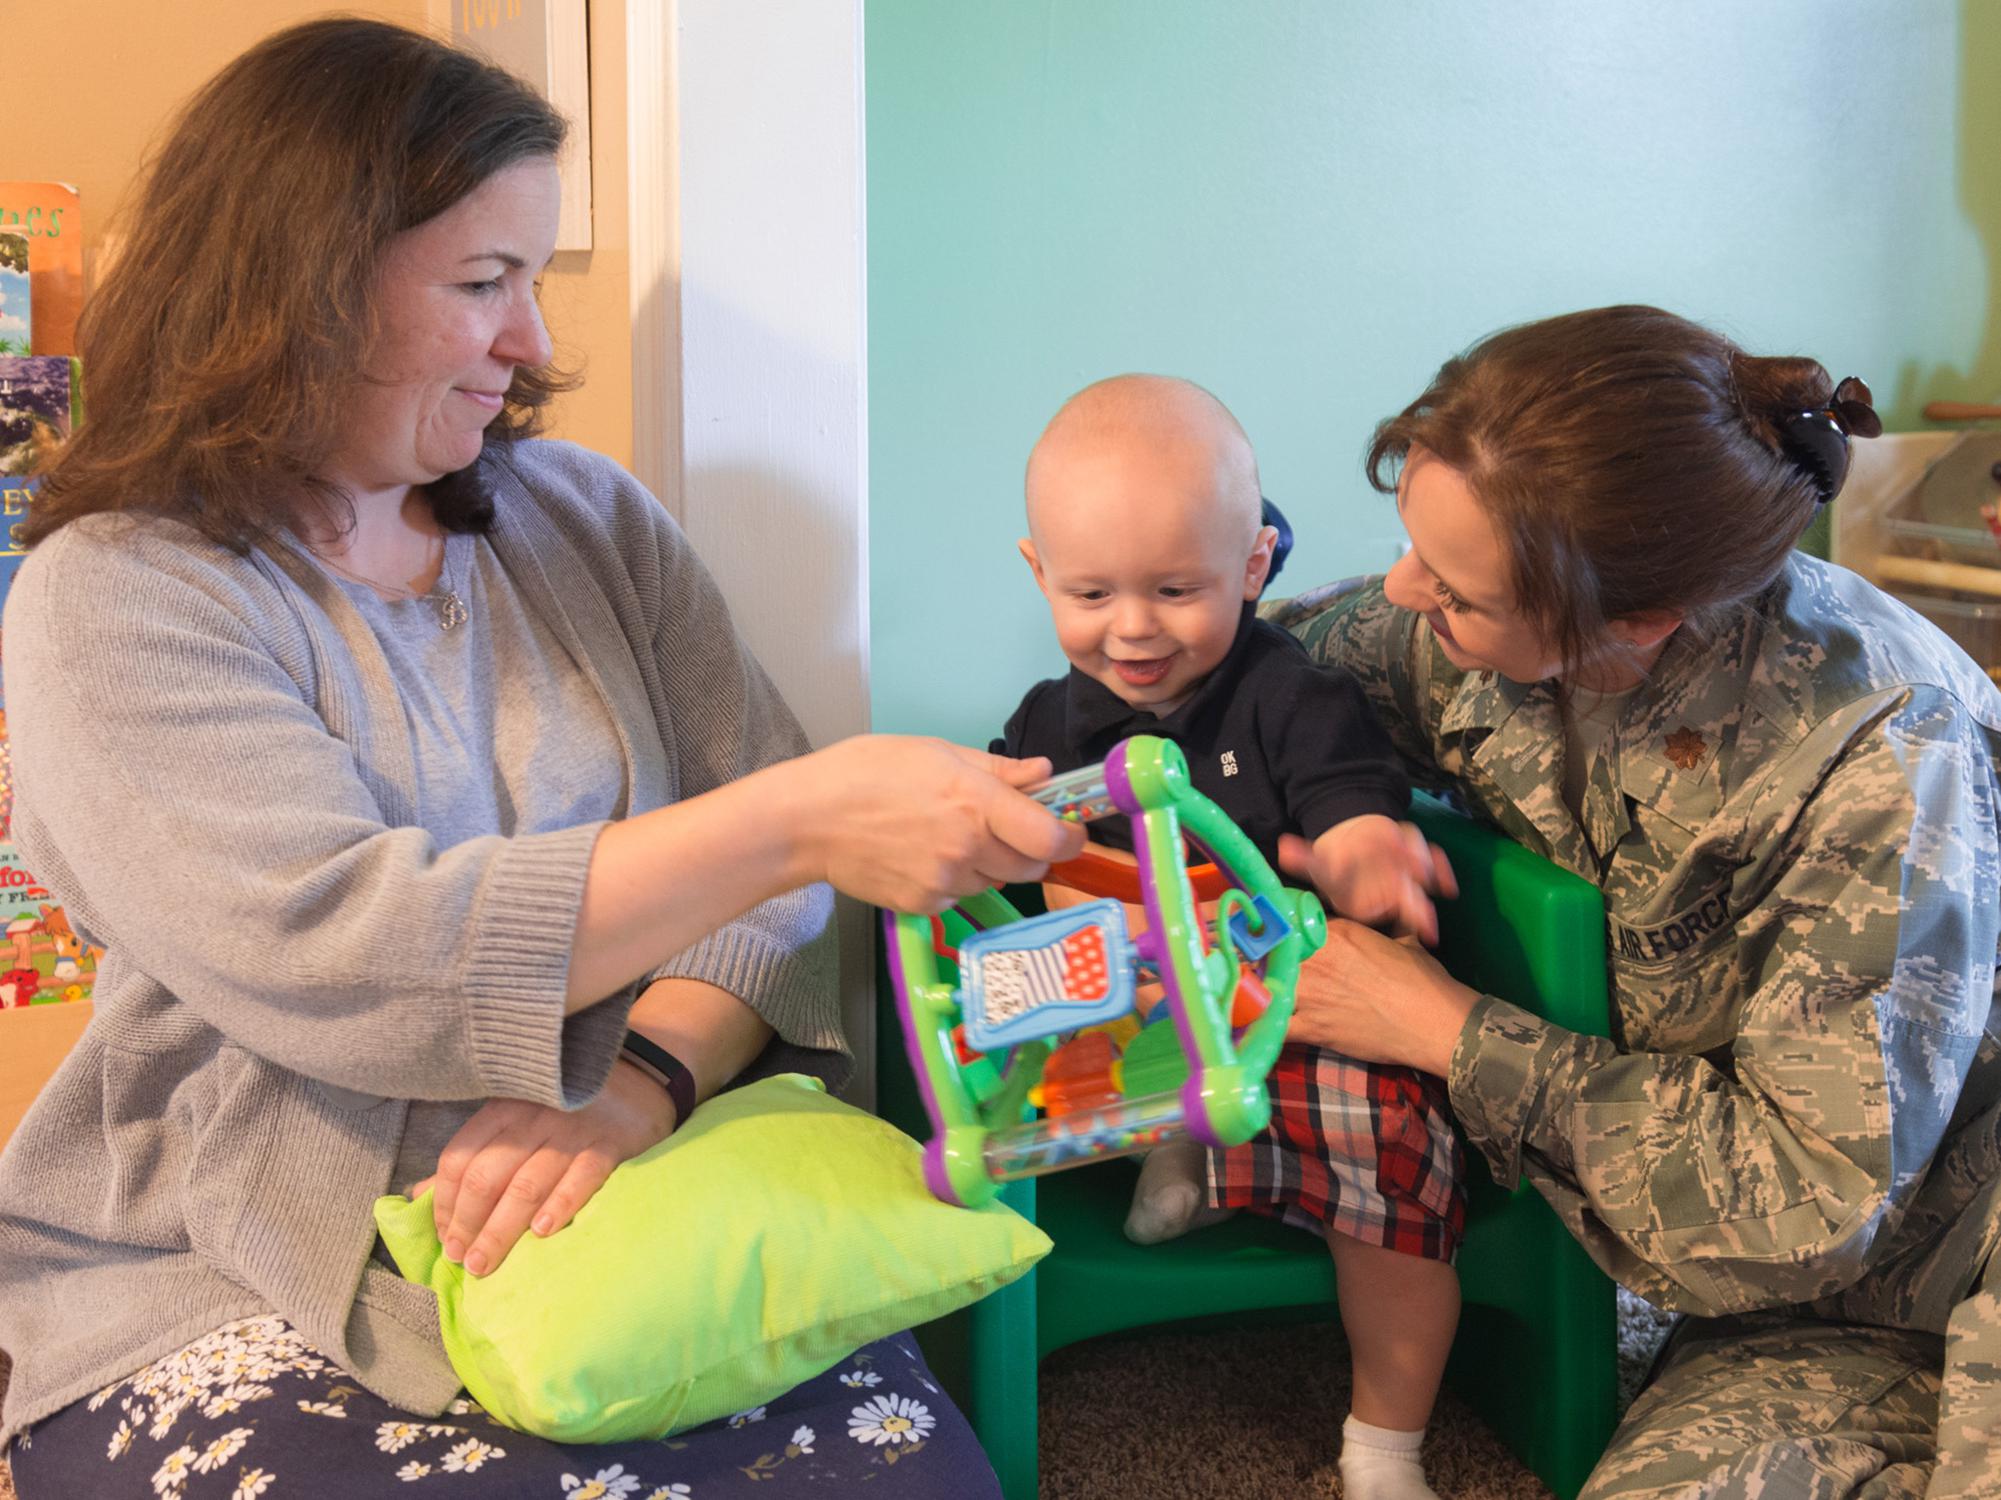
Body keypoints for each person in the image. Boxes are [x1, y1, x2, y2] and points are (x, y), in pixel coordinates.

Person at [0, 20, 1081, 1497]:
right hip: (238, 1260)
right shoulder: (118, 597)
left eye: (536, 280)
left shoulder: (586, 519)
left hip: (647, 1186)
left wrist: (642, 1079)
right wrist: (793, 818)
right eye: (484, 282)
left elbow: (782, 908)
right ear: (300, 289)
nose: (538, 343)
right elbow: (355, 948)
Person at [1272, 304, 2001, 1498]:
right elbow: (1258, 682)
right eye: (1412, 548)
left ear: (1640, 625)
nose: (1405, 593)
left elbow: (1803, 1200)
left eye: (1453, 591)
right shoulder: (1488, 619)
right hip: (1823, 1311)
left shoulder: (1880, 751)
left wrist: (1441, 1029)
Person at [995, 374, 1462, 1500]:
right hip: (1142, 1016)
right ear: (1039, 574)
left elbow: (1352, 804)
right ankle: (1181, 1152)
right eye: (1092, 591)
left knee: (1389, 1159)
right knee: (998, 1029)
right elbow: (1003, 841)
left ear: (1252, 568)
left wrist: (1359, 852)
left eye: (1174, 588)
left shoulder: (1292, 697)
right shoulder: (1048, 721)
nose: (1134, 627)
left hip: (1300, 1013)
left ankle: (1383, 1444)